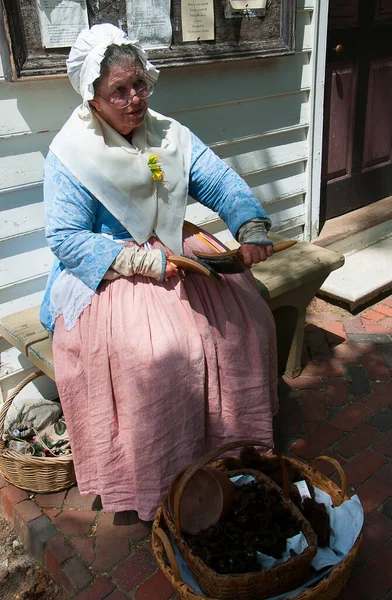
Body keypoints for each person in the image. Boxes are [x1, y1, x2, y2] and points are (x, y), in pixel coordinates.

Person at [40, 23, 278, 521]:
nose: (134, 99)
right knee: (160, 357)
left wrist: (251, 225)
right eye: (118, 91)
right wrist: (145, 260)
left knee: (246, 325)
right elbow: (66, 240)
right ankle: (155, 478)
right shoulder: (72, 153)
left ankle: (227, 449)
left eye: (139, 85)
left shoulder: (168, 135)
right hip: (111, 270)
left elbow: (217, 179)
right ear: (94, 99)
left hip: (175, 248)